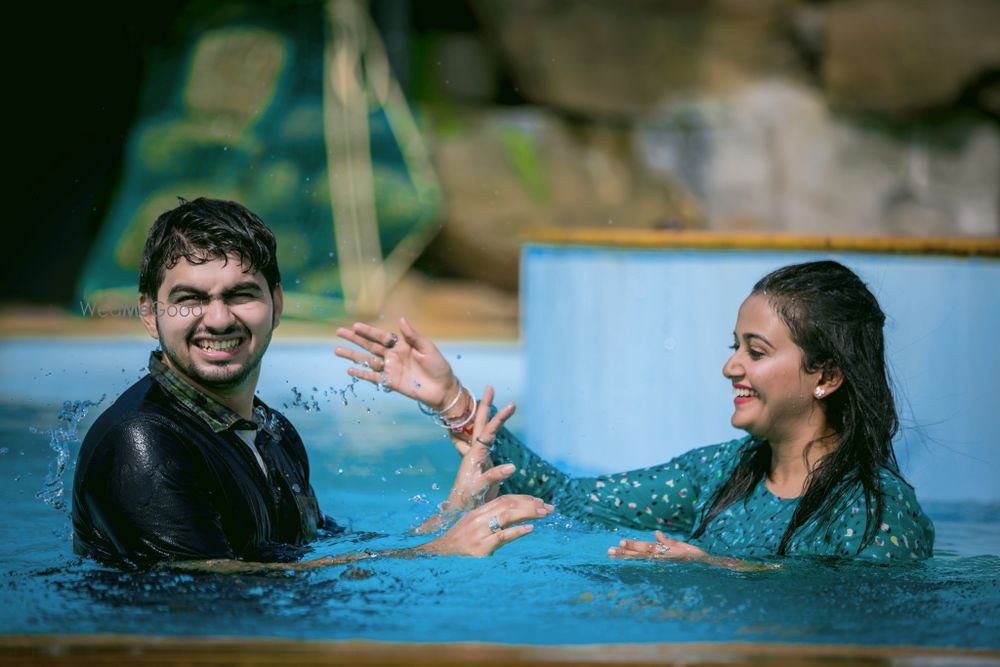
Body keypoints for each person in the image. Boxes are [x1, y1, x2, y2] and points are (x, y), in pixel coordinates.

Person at [336, 260, 935, 564]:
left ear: (827, 375)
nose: (731, 368)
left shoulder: (877, 508)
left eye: (755, 352)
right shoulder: (721, 474)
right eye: (734, 348)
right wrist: (452, 401)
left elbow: (872, 607)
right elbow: (566, 498)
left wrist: (721, 569)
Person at [72, 197, 552, 571]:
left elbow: (315, 559)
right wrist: (436, 551)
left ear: (277, 305)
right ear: (149, 314)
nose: (217, 319)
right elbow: (206, 591)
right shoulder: (143, 442)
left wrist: (451, 512)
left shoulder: (271, 430)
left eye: (241, 294)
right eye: (189, 299)